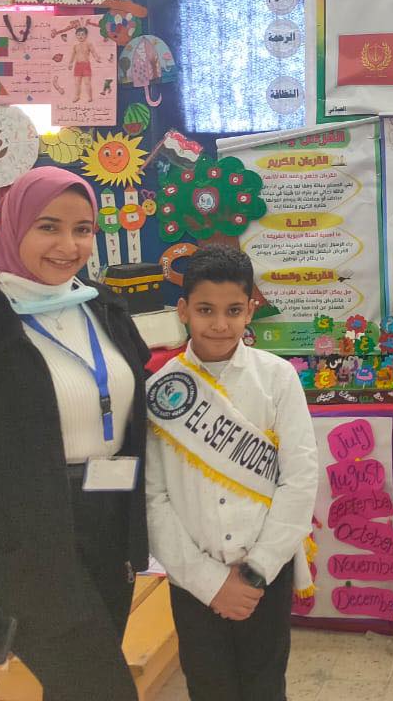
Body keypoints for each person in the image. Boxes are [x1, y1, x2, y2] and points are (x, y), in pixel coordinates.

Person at [0, 166, 152, 701]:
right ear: (14, 226)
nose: (69, 246)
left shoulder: (104, 309)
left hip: (110, 533)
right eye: (48, 227)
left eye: (83, 229)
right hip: (28, 550)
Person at [144, 245, 317, 701]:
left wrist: (256, 570)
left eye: (233, 311)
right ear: (183, 310)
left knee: (265, 687)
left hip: (266, 574)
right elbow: (153, 499)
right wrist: (208, 582)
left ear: (250, 310)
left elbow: (300, 479)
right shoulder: (160, 389)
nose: (219, 324)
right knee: (208, 688)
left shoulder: (277, 377)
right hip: (192, 578)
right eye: (205, 310)